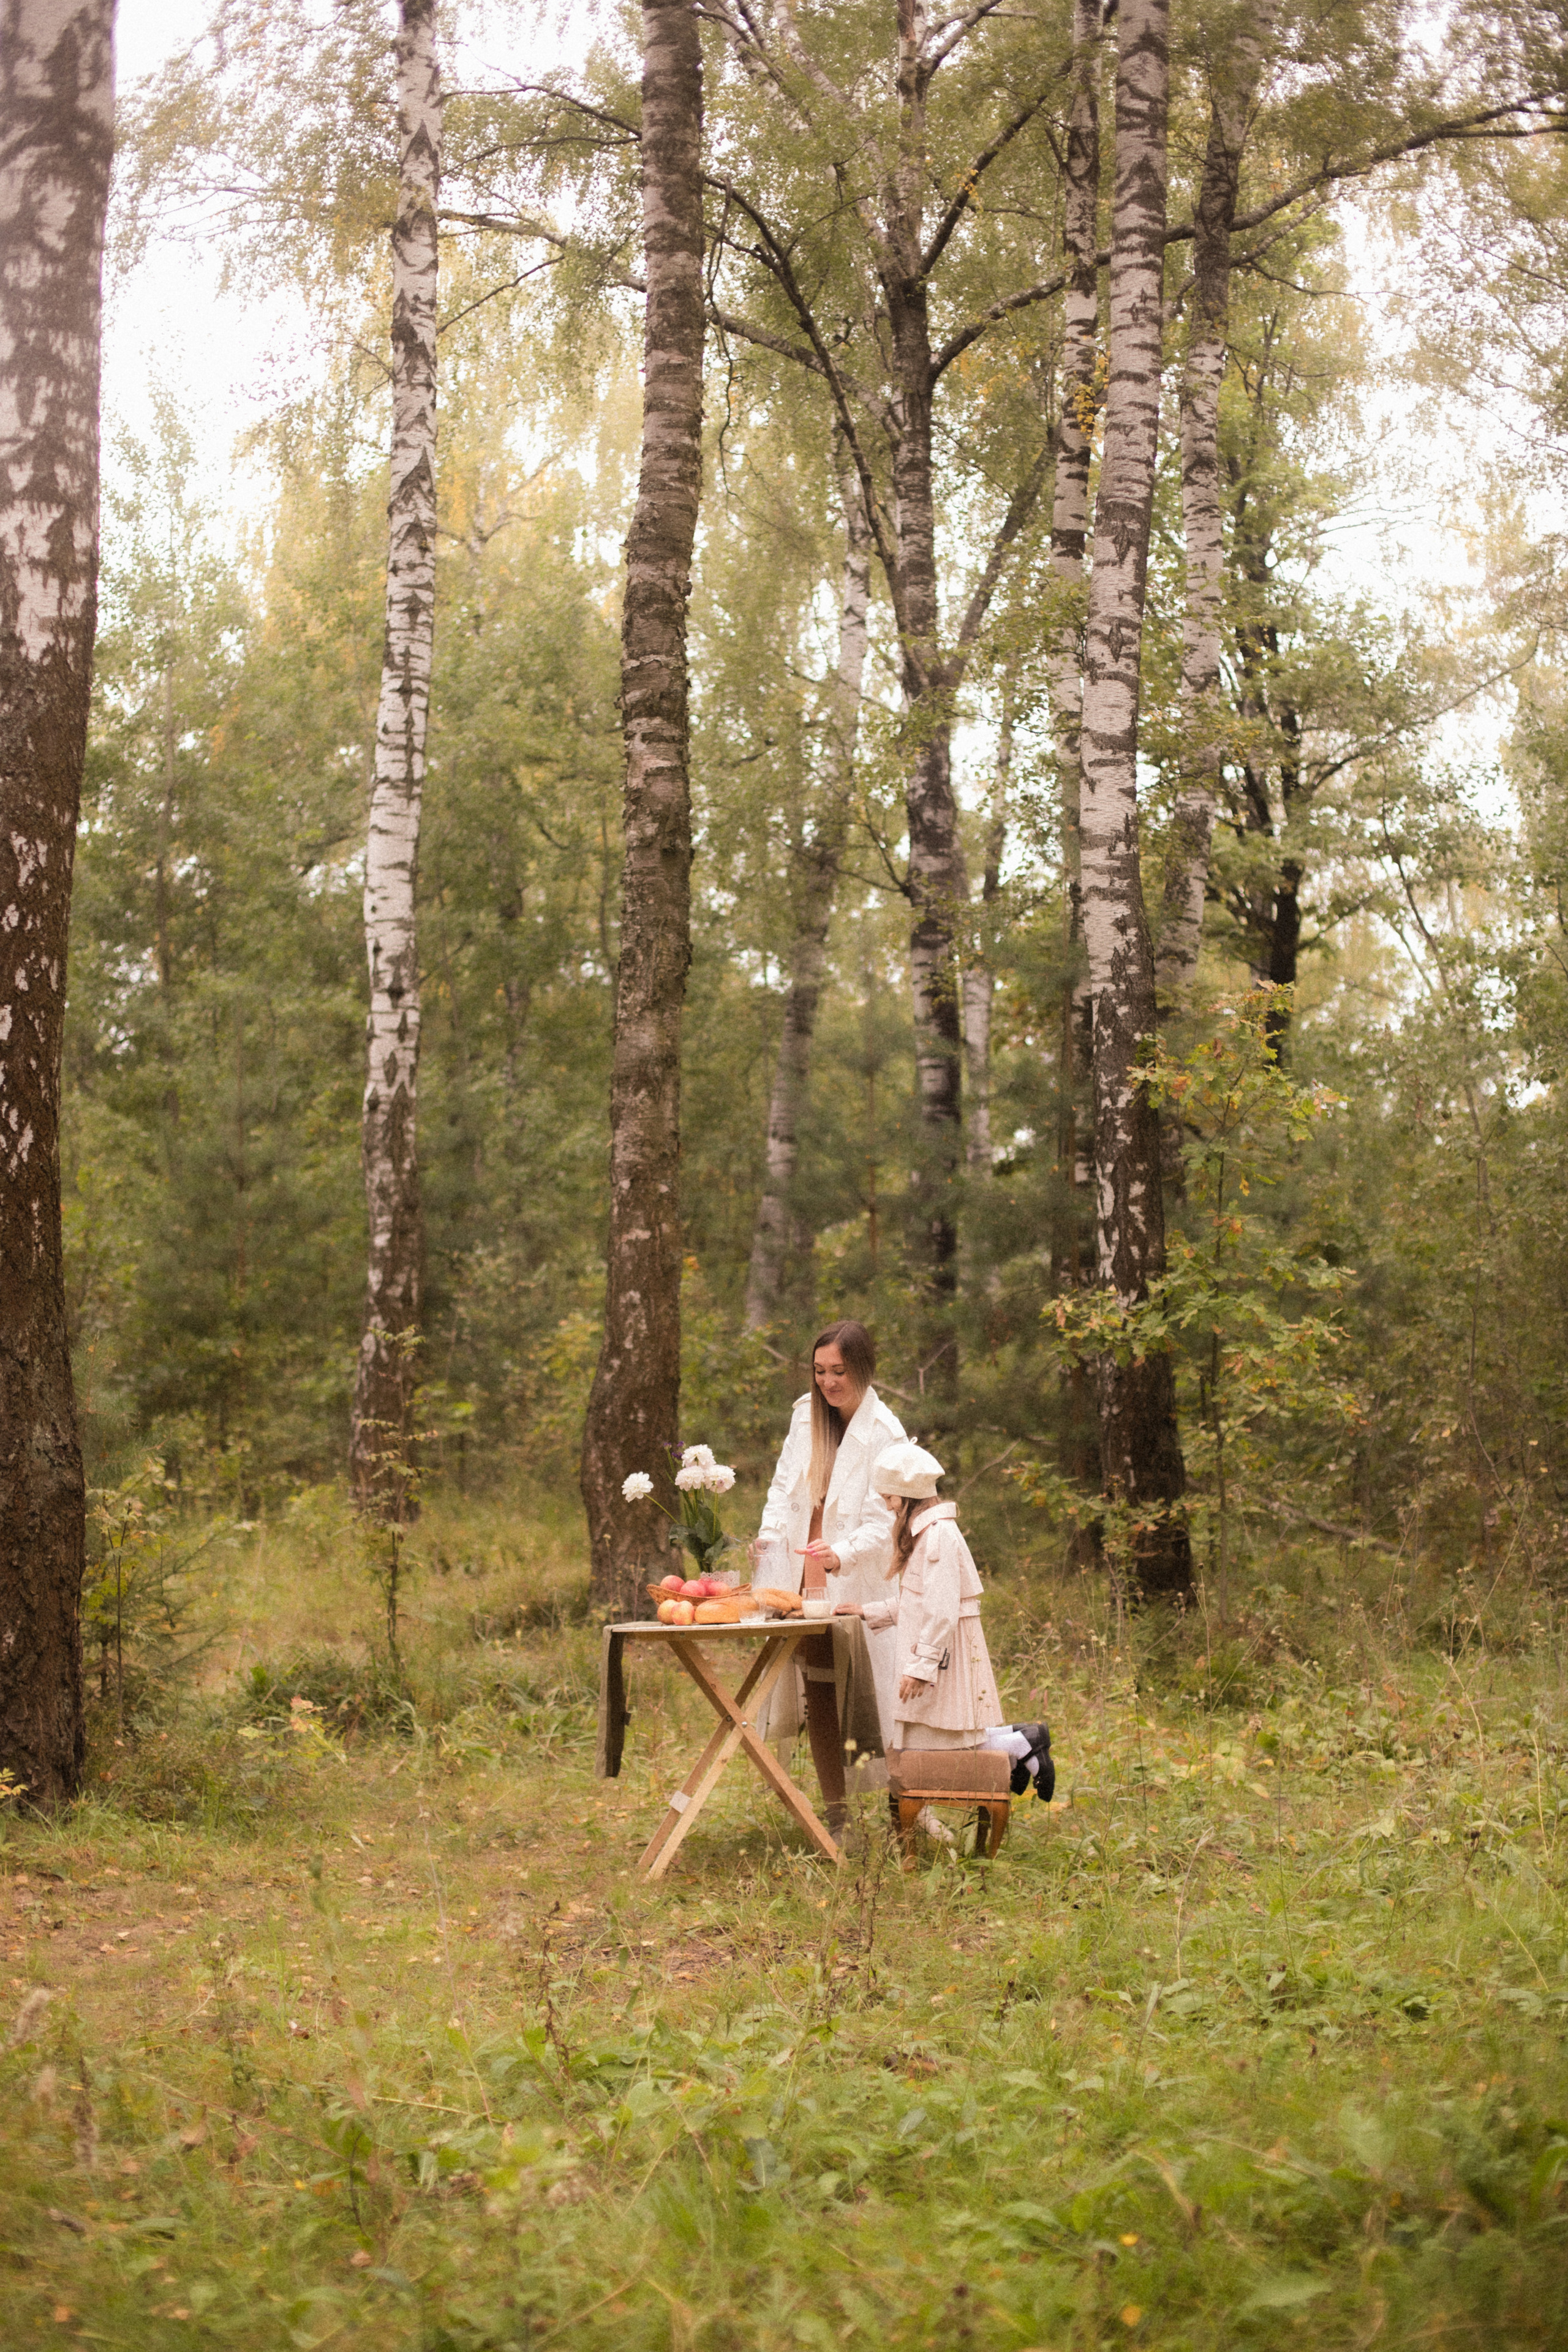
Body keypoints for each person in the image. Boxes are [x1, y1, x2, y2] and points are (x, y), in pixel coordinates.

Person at [752, 1320, 906, 1817]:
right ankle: (836, 1812)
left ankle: (906, 1808)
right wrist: (770, 1539)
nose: (828, 1382)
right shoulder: (804, 1418)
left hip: (857, 1578)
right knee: (819, 1693)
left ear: (862, 1367)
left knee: (876, 1700)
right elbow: (782, 1492)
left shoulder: (885, 1432)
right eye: (820, 1371)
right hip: (802, 1578)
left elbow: (886, 1518)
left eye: (839, 1371)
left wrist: (843, 1552)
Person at [832, 1438, 1004, 1757]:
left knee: (945, 1747)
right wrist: (870, 1612)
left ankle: (1026, 1747)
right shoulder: (928, 1534)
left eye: (889, 1498)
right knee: (933, 1746)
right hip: (933, 1655)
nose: (887, 1507)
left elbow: (941, 1611)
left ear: (907, 1495)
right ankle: (1025, 1744)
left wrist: (920, 1668)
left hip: (942, 1659)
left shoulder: (938, 1536)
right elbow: (921, 1600)